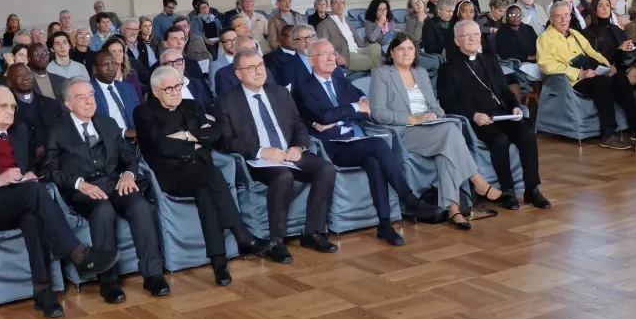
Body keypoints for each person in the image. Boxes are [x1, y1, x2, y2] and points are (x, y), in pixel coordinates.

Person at [0, 85, 118, 318]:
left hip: (19, 200)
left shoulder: (19, 130)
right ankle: (78, 253)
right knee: (33, 193)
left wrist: (28, 174)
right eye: (3, 106)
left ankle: (43, 292)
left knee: (33, 216)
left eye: (13, 106)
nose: (10, 111)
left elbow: (30, 167)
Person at [295, 40, 445, 245]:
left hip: (354, 140)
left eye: (332, 53)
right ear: (311, 61)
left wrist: (339, 118)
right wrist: (352, 109)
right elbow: (323, 115)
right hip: (332, 147)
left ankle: (385, 225)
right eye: (324, 55)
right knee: (378, 145)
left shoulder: (340, 80)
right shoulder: (303, 87)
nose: (331, 58)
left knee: (374, 162)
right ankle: (409, 198)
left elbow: (366, 105)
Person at [135, 66, 267, 286]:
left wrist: (187, 135)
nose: (176, 92)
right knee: (212, 174)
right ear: (156, 91)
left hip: (201, 174)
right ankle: (242, 235)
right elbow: (163, 147)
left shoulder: (192, 106)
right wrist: (197, 141)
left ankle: (219, 264)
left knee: (207, 193)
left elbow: (215, 133)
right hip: (173, 176)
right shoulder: (144, 113)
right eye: (169, 89)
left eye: (178, 86)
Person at [44, 79, 169, 302]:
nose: (89, 101)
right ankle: (108, 282)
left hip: (115, 182)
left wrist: (129, 173)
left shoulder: (108, 123)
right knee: (103, 210)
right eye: (81, 98)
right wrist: (79, 184)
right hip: (84, 190)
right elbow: (49, 170)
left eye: (91, 95)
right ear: (68, 104)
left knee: (140, 206)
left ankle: (153, 275)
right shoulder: (57, 130)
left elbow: (129, 155)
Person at [370, 34, 510, 229]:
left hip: (432, 128)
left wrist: (434, 114)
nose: (406, 53)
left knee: (446, 148)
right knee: (450, 132)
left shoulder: (420, 73)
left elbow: (436, 106)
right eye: (400, 49)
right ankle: (478, 181)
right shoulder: (382, 74)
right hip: (404, 131)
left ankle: (453, 209)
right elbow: (378, 112)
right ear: (391, 53)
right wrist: (413, 119)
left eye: (410, 49)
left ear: (415, 52)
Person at [216, 48, 337, 263]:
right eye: (251, 68)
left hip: (287, 153)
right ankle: (276, 241)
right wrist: (261, 151)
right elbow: (226, 140)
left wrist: (298, 147)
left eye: (260, 65)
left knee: (326, 169)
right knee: (283, 176)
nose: (258, 71)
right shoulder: (227, 100)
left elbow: (298, 124)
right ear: (238, 74)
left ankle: (313, 232)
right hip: (257, 160)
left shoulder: (280, 92)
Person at [438, 21, 551, 209]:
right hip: (476, 121)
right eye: (466, 35)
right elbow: (447, 102)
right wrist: (473, 115)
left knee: (527, 133)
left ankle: (532, 188)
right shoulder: (448, 68)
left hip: (501, 114)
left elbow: (504, 90)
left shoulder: (489, 60)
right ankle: (507, 190)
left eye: (476, 34)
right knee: (500, 139)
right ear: (457, 41)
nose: (472, 38)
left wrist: (515, 106)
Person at [537, 2, 636, 148]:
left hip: (590, 72)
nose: (563, 20)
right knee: (602, 83)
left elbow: (593, 53)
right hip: (570, 80)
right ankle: (609, 134)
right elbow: (546, 65)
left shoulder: (575, 34)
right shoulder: (544, 38)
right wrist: (579, 73)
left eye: (566, 15)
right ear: (551, 19)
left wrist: (608, 67)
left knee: (620, 77)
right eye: (558, 17)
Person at [6, 63, 64, 170]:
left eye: (28, 73)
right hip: (23, 169)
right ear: (9, 82)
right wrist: (33, 156)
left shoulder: (52, 104)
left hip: (56, 164)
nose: (26, 77)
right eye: (19, 75)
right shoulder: (6, 110)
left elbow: (63, 134)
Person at [316, 0, 384, 70]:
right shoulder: (324, 24)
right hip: (346, 54)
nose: (339, 5)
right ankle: (383, 72)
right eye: (336, 2)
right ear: (331, 6)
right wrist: (336, 55)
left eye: (342, 2)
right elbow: (323, 45)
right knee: (370, 61)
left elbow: (357, 39)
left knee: (376, 47)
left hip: (359, 49)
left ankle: (381, 71)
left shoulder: (348, 21)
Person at [581, 0, 636, 85]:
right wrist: (619, 50)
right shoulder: (588, 32)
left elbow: (626, 47)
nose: (605, 9)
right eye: (600, 6)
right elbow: (595, 58)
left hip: (624, 64)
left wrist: (629, 46)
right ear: (594, 9)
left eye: (607, 5)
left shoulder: (615, 28)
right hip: (605, 70)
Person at [89, 49, 140, 139]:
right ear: (95, 69)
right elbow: (92, 121)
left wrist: (140, 132)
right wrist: (123, 133)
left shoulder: (127, 88)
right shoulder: (88, 91)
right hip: (108, 140)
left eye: (114, 64)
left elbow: (139, 114)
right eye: (105, 65)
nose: (111, 68)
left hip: (134, 139)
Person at [118, 20, 151, 90]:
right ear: (123, 30)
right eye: (130, 29)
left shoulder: (145, 47)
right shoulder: (118, 48)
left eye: (136, 29)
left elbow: (153, 67)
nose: (133, 33)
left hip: (145, 87)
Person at [208, 28, 238, 94]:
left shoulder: (246, 60)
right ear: (221, 44)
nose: (233, 43)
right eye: (228, 41)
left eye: (235, 39)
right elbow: (214, 91)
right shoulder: (215, 66)